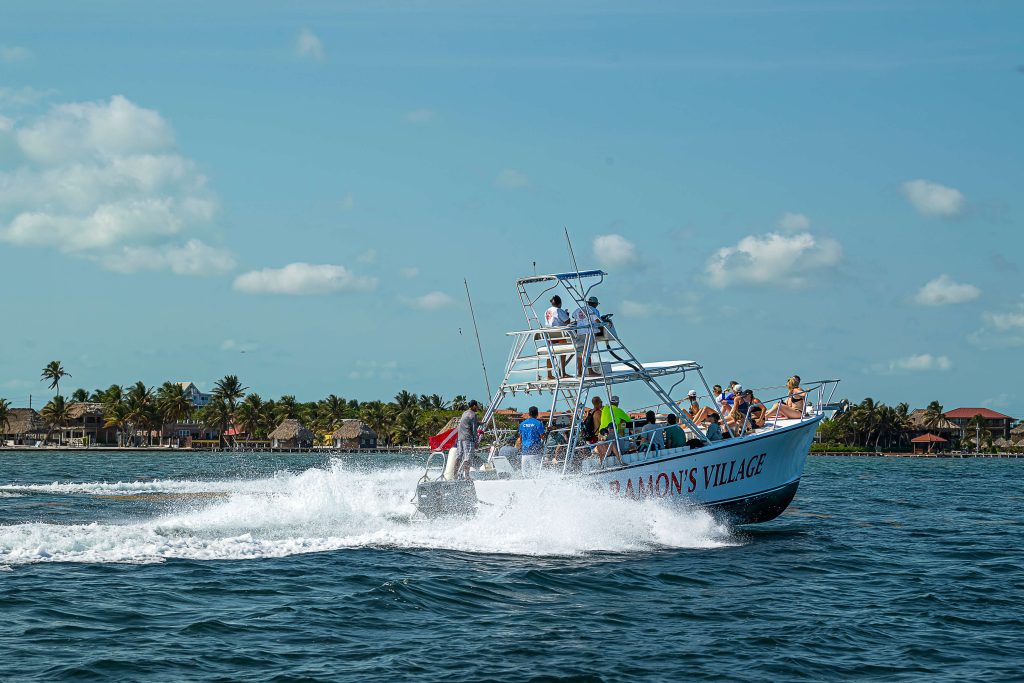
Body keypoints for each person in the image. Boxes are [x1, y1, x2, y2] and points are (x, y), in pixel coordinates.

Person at [571, 295, 603, 377]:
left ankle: (579, 372)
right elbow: (597, 321)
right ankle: (590, 371)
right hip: (589, 333)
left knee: (580, 353)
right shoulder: (594, 310)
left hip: (580, 332)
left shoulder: (579, 309)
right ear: (595, 304)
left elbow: (573, 316)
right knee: (588, 353)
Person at [543, 295, 572, 380]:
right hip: (559, 334)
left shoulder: (547, 311)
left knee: (550, 354)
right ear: (559, 303)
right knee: (563, 353)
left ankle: (549, 374)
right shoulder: (558, 310)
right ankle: (562, 373)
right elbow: (567, 321)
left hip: (549, 334)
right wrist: (566, 314)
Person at [595, 395, 630, 466]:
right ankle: (620, 460)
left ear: (610, 402)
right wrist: (620, 420)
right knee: (617, 444)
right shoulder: (618, 410)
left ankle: (618, 461)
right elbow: (628, 420)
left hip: (601, 434)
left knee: (608, 445)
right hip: (609, 435)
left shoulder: (605, 408)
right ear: (617, 403)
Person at [455, 400, 482, 478]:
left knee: (459, 456)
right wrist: (476, 442)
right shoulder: (473, 414)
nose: (477, 408)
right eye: (476, 406)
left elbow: (467, 423)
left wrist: (479, 423)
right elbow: (474, 430)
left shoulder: (465, 413)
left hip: (460, 438)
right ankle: (467, 476)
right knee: (468, 457)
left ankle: (455, 475)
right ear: (474, 406)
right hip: (468, 438)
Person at [518, 406, 546, 477]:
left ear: (529, 414)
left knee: (525, 475)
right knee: (536, 474)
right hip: (535, 453)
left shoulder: (522, 424)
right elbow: (543, 437)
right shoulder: (538, 423)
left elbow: (520, 438)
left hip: (524, 453)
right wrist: (547, 432)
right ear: (537, 414)